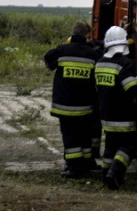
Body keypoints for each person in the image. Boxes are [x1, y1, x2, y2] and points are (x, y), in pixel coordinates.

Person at [95, 25, 137, 190]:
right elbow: (133, 89)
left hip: (106, 115)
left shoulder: (100, 63)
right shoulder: (124, 64)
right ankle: (115, 172)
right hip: (123, 114)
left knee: (110, 146)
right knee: (129, 146)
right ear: (124, 45)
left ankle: (106, 176)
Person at [43, 22, 101, 179]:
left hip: (64, 106)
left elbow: (48, 59)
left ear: (72, 35)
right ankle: (86, 164)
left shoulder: (62, 51)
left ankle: (74, 168)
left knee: (70, 137)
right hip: (85, 107)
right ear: (87, 36)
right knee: (84, 136)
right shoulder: (92, 55)